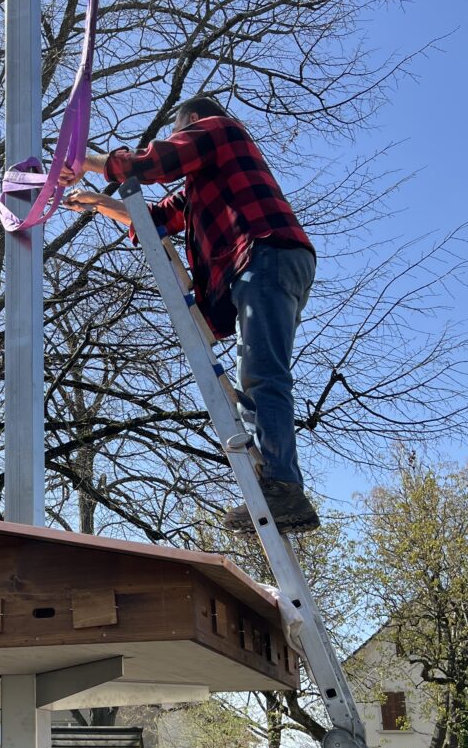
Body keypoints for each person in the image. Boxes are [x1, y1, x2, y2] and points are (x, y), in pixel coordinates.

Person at [60, 94, 319, 534]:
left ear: (193, 122)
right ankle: (280, 486)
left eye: (181, 130)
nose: (181, 137)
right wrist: (96, 202)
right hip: (264, 263)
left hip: (265, 253)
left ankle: (284, 487)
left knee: (263, 376)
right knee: (255, 376)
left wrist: (88, 160)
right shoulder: (204, 188)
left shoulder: (221, 130)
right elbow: (156, 217)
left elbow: (161, 159)